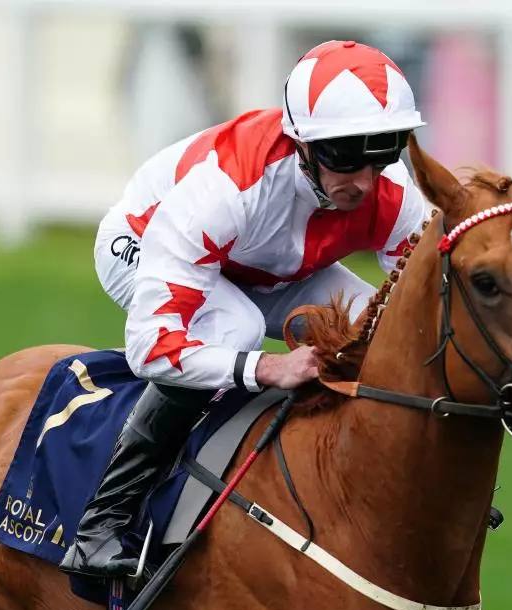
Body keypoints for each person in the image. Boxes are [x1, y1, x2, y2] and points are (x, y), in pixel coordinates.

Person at [59, 40, 429, 578]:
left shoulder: (391, 193)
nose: (365, 183)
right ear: (302, 145)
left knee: (374, 329)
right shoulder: (227, 188)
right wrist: (268, 368)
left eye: (384, 151)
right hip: (143, 240)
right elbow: (152, 347)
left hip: (262, 265)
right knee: (237, 325)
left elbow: (419, 312)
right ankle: (101, 522)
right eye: (345, 156)